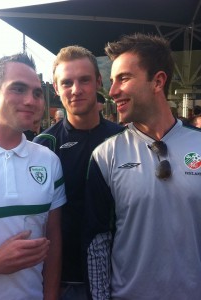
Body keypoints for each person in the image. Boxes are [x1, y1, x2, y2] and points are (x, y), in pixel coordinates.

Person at [85, 33, 201, 300]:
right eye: (112, 81)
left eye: (123, 78)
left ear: (157, 81)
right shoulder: (105, 155)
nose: (112, 91)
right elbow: (97, 243)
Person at [33, 45, 124, 300]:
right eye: (67, 82)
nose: (76, 90)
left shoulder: (125, 141)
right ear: (55, 87)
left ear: (98, 81)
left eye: (84, 80)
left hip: (119, 279)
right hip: (61, 282)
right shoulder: (43, 146)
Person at [0, 53, 66, 300]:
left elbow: (53, 240)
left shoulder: (48, 161)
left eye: (37, 93)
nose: (31, 100)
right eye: (18, 89)